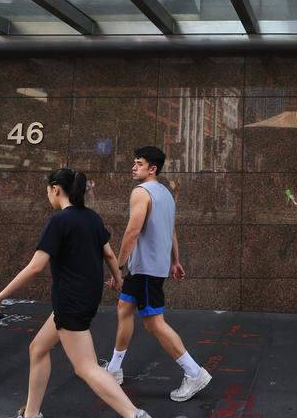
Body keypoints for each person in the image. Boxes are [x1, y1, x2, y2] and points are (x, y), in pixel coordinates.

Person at [0, 168, 151, 418]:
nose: (47, 195)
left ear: (55, 189)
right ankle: (31, 413)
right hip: (81, 299)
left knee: (86, 367)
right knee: (38, 348)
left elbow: (36, 266)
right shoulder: (91, 217)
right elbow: (110, 254)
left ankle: (134, 414)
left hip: (71, 302)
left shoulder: (59, 221)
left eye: (47, 190)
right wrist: (117, 278)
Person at [103, 146, 211, 402]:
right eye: (133, 162)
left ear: (152, 169)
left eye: (138, 164)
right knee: (124, 307)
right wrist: (175, 260)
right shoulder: (166, 194)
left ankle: (194, 373)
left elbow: (132, 232)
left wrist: (117, 267)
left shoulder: (141, 193)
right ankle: (114, 369)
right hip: (148, 267)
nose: (133, 167)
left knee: (154, 323)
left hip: (146, 270)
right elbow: (170, 229)